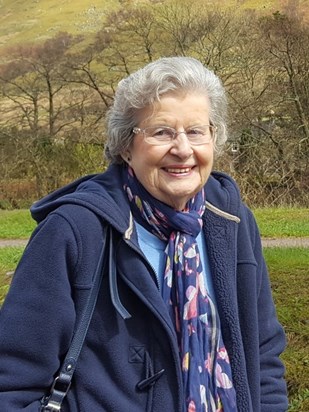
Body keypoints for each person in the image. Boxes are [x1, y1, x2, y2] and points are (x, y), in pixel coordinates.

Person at [0, 56, 288, 412]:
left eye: (196, 131)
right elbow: (14, 380)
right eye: (161, 131)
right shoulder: (74, 231)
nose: (182, 149)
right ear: (125, 145)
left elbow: (263, 354)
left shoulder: (231, 221)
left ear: (214, 138)